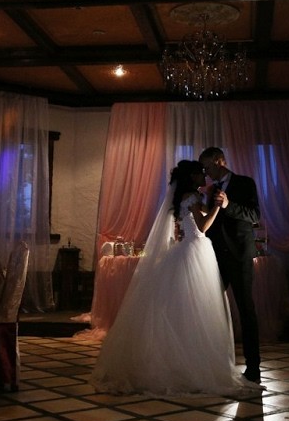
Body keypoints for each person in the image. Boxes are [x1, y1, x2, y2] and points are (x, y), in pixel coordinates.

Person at [91, 160, 261, 396]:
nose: (205, 176)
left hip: (196, 250)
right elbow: (203, 227)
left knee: (193, 309)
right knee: (199, 309)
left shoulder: (189, 195)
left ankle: (195, 361)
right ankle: (194, 365)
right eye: (201, 173)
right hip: (197, 250)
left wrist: (218, 204)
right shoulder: (191, 196)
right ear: (192, 177)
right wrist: (216, 207)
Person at [199, 147, 262, 383]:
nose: (206, 173)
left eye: (207, 167)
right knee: (209, 308)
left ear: (219, 161)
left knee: (246, 309)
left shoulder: (245, 183)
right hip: (215, 257)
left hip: (239, 256)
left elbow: (254, 216)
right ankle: (214, 363)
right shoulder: (211, 189)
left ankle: (253, 368)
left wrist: (229, 205)